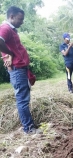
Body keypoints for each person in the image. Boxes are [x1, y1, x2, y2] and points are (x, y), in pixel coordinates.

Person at [0, 6, 41, 134]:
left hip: (21, 69)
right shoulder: (5, 28)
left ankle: (29, 125)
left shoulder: (11, 30)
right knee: (22, 100)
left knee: (24, 98)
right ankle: (28, 129)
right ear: (11, 17)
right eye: (20, 19)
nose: (22, 22)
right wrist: (10, 52)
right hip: (17, 70)